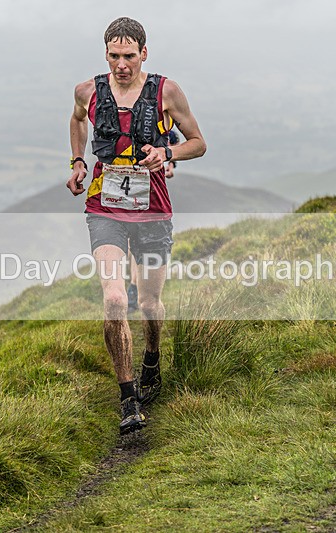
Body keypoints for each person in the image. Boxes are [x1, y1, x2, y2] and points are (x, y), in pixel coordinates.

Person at [66, 17, 207, 434]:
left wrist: (168, 154)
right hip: (104, 206)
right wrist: (78, 162)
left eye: (129, 56)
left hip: (152, 209)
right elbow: (77, 119)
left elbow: (198, 143)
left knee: (148, 303)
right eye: (114, 56)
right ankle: (128, 398)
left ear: (144, 53)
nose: (121, 64)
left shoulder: (167, 92)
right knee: (114, 298)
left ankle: (152, 358)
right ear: (105, 54)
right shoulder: (87, 91)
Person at [127, 129, 180, 313]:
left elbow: (172, 142)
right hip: (128, 185)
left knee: (140, 239)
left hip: (151, 188)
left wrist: (170, 165)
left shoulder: (163, 124)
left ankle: (135, 287)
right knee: (132, 239)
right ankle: (134, 285)